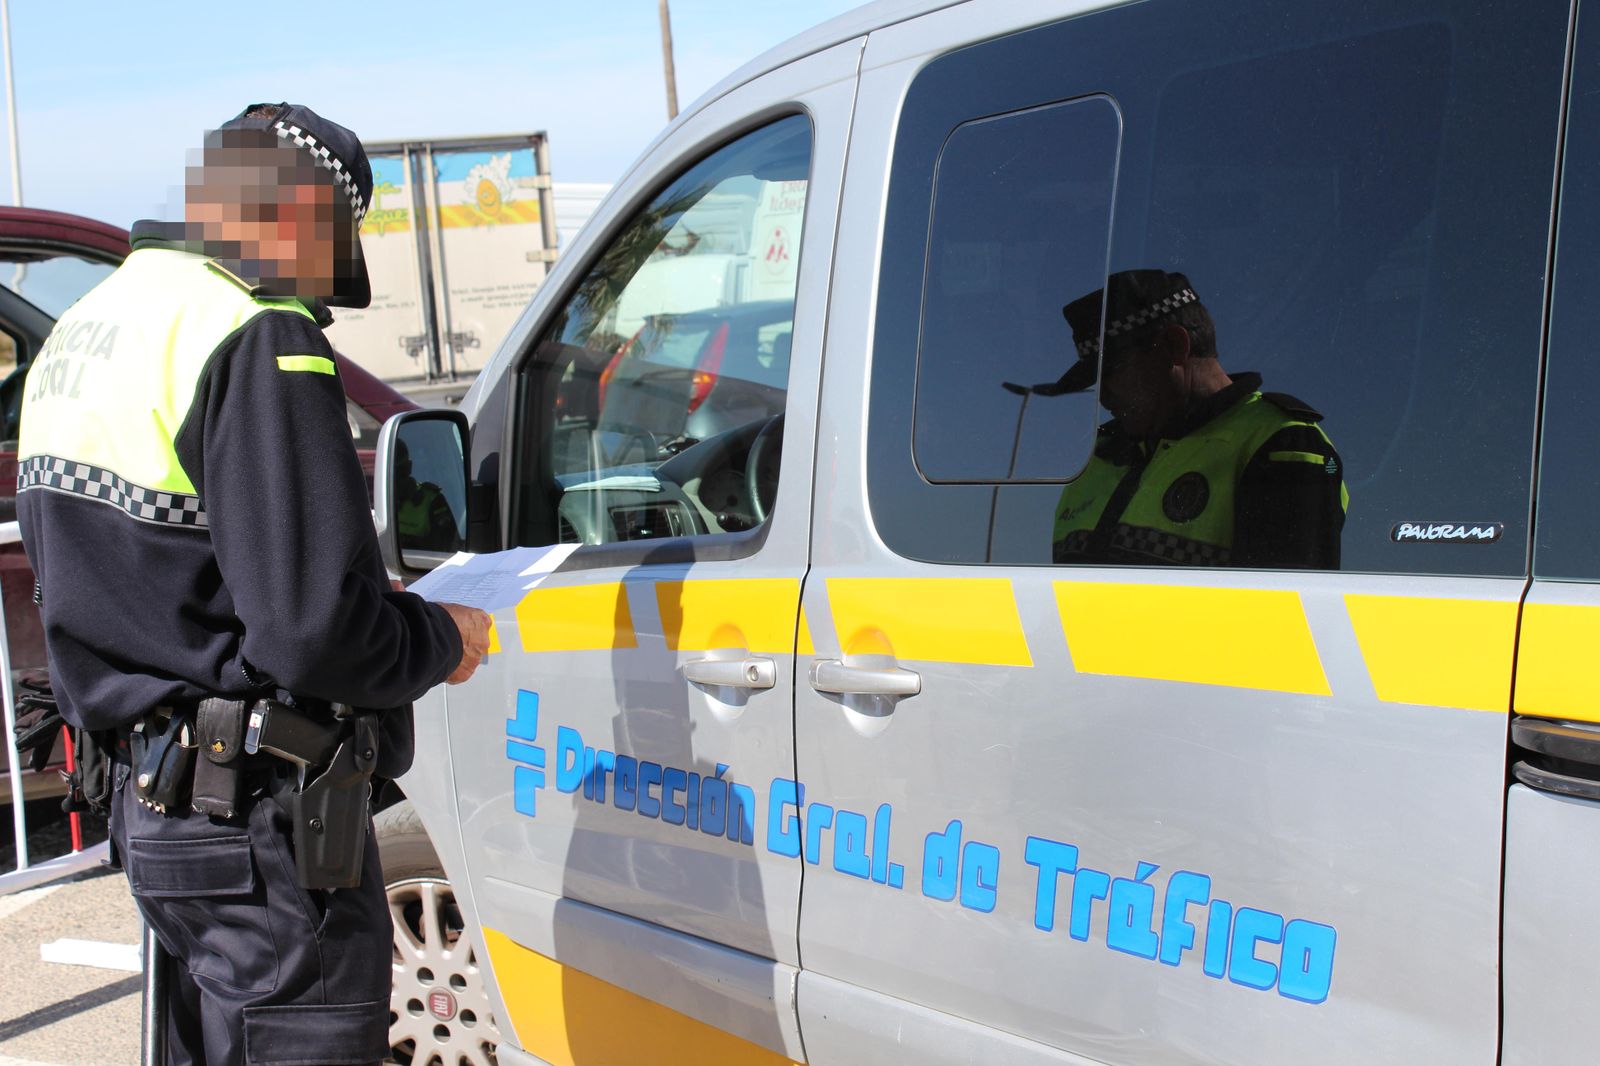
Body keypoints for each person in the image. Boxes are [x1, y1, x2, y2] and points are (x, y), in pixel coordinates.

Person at [15, 103, 491, 1065]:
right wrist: (444, 640)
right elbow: (312, 629)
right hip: (259, 821)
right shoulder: (253, 328)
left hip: (155, 809)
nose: (319, 292)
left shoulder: (87, 324)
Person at [1048, 269, 1347, 568]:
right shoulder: (1099, 454)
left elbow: (1282, 609)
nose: (1103, 394)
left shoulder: (1282, 444)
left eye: (1112, 371)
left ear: (1174, 346)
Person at [394, 438, 461, 553]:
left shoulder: (433, 500)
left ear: (409, 467)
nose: (396, 480)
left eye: (400, 472)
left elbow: (442, 549)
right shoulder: (380, 502)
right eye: (392, 473)